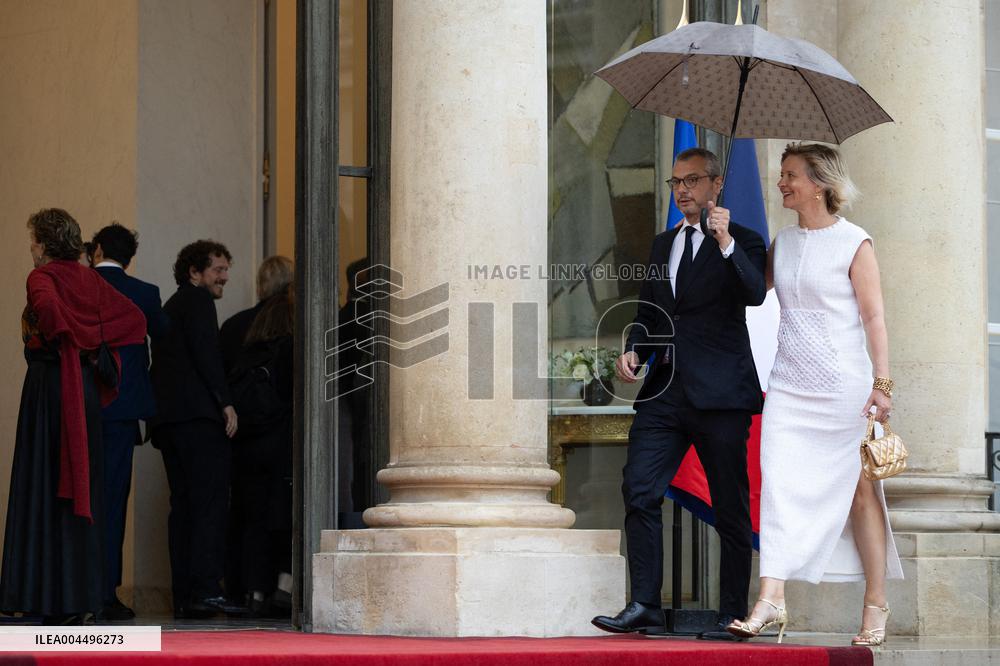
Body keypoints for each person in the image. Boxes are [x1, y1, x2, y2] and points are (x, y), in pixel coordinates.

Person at [727, 143, 903, 646]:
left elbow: (874, 318)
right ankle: (772, 597)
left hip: (844, 388)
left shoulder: (855, 242)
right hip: (788, 386)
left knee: (860, 494)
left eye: (790, 176)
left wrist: (882, 384)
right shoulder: (783, 242)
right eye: (781, 175)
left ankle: (875, 604)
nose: (782, 183)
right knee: (779, 485)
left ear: (821, 183)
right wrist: (722, 238)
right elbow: (751, 291)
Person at [591, 148, 767, 640]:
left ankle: (733, 612)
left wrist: (726, 241)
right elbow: (651, 315)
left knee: (730, 506)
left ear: (716, 185)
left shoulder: (746, 240)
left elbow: (754, 293)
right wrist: (634, 351)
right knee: (639, 489)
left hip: (721, 395)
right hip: (665, 392)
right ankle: (645, 602)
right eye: (676, 182)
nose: (683, 190)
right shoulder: (662, 243)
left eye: (692, 181)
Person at [0, 208, 145, 624]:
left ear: (44, 245)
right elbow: (133, 321)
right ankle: (75, 597)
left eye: (33, 241)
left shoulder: (41, 277)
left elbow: (48, 314)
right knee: (75, 489)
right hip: (80, 391)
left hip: (49, 389)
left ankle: (32, 594)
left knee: (40, 485)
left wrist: (68, 336)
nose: (31, 248)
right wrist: (89, 341)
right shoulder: (89, 279)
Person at [150, 240, 239, 619]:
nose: (224, 277)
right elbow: (207, 353)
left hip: (168, 420)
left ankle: (185, 595)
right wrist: (225, 400)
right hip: (197, 419)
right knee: (208, 503)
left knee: (183, 506)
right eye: (217, 270)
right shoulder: (198, 302)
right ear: (194, 273)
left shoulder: (172, 305)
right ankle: (205, 590)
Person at [89, 222, 169, 621]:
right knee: (112, 503)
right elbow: (165, 338)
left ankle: (71, 590)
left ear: (97, 248)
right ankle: (105, 593)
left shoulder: (79, 287)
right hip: (121, 412)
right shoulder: (145, 294)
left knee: (72, 501)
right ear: (129, 256)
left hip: (80, 408)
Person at [220, 255, 293, 612]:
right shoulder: (294, 323)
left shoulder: (236, 326)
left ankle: (247, 591)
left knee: (246, 516)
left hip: (242, 436)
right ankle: (281, 588)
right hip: (279, 438)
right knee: (280, 515)